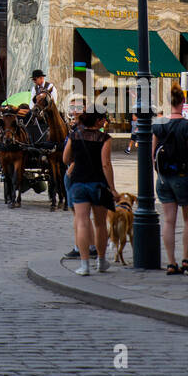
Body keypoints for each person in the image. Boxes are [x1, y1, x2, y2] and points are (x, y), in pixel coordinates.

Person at [63, 108, 120, 275]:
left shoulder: (74, 136)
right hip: (98, 184)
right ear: (97, 121)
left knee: (81, 222)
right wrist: (112, 188)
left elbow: (65, 159)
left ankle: (84, 265)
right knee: (100, 224)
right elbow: (106, 164)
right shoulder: (104, 138)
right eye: (103, 119)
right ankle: (101, 261)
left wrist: (77, 160)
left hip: (78, 182)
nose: (105, 121)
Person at [152, 82, 188, 274]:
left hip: (163, 178)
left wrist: (159, 173)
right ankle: (186, 259)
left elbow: (152, 153)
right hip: (183, 176)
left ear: (169, 102)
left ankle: (171, 263)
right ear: (183, 101)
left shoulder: (159, 125)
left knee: (169, 221)